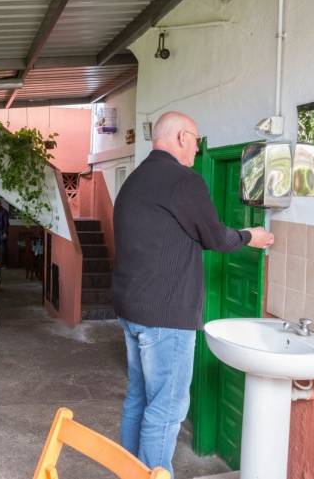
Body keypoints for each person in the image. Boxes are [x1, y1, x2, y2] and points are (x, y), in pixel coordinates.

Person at [113, 111, 275, 477]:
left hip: (131, 309)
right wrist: (252, 236)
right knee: (167, 408)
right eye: (197, 141)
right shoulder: (184, 180)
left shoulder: (135, 180)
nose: (198, 150)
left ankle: (128, 472)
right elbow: (215, 237)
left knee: (139, 398)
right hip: (165, 315)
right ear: (182, 138)